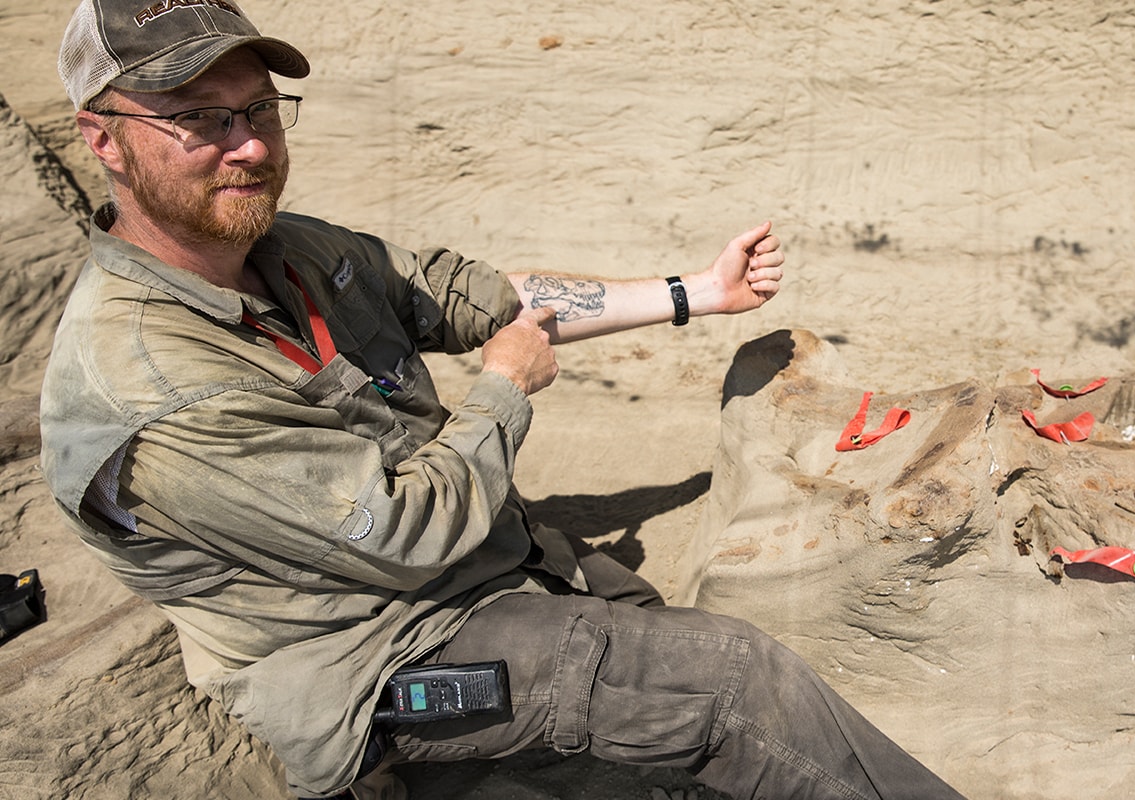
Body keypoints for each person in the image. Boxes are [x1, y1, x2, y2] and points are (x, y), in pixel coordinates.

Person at [39, 2, 968, 799]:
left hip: (480, 567)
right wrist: (501, 390)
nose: (247, 145)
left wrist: (697, 293)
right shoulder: (151, 384)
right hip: (381, 660)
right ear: (102, 137)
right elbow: (402, 535)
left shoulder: (290, 249)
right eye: (196, 118)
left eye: (258, 108)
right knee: (734, 680)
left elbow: (475, 297)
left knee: (656, 630)